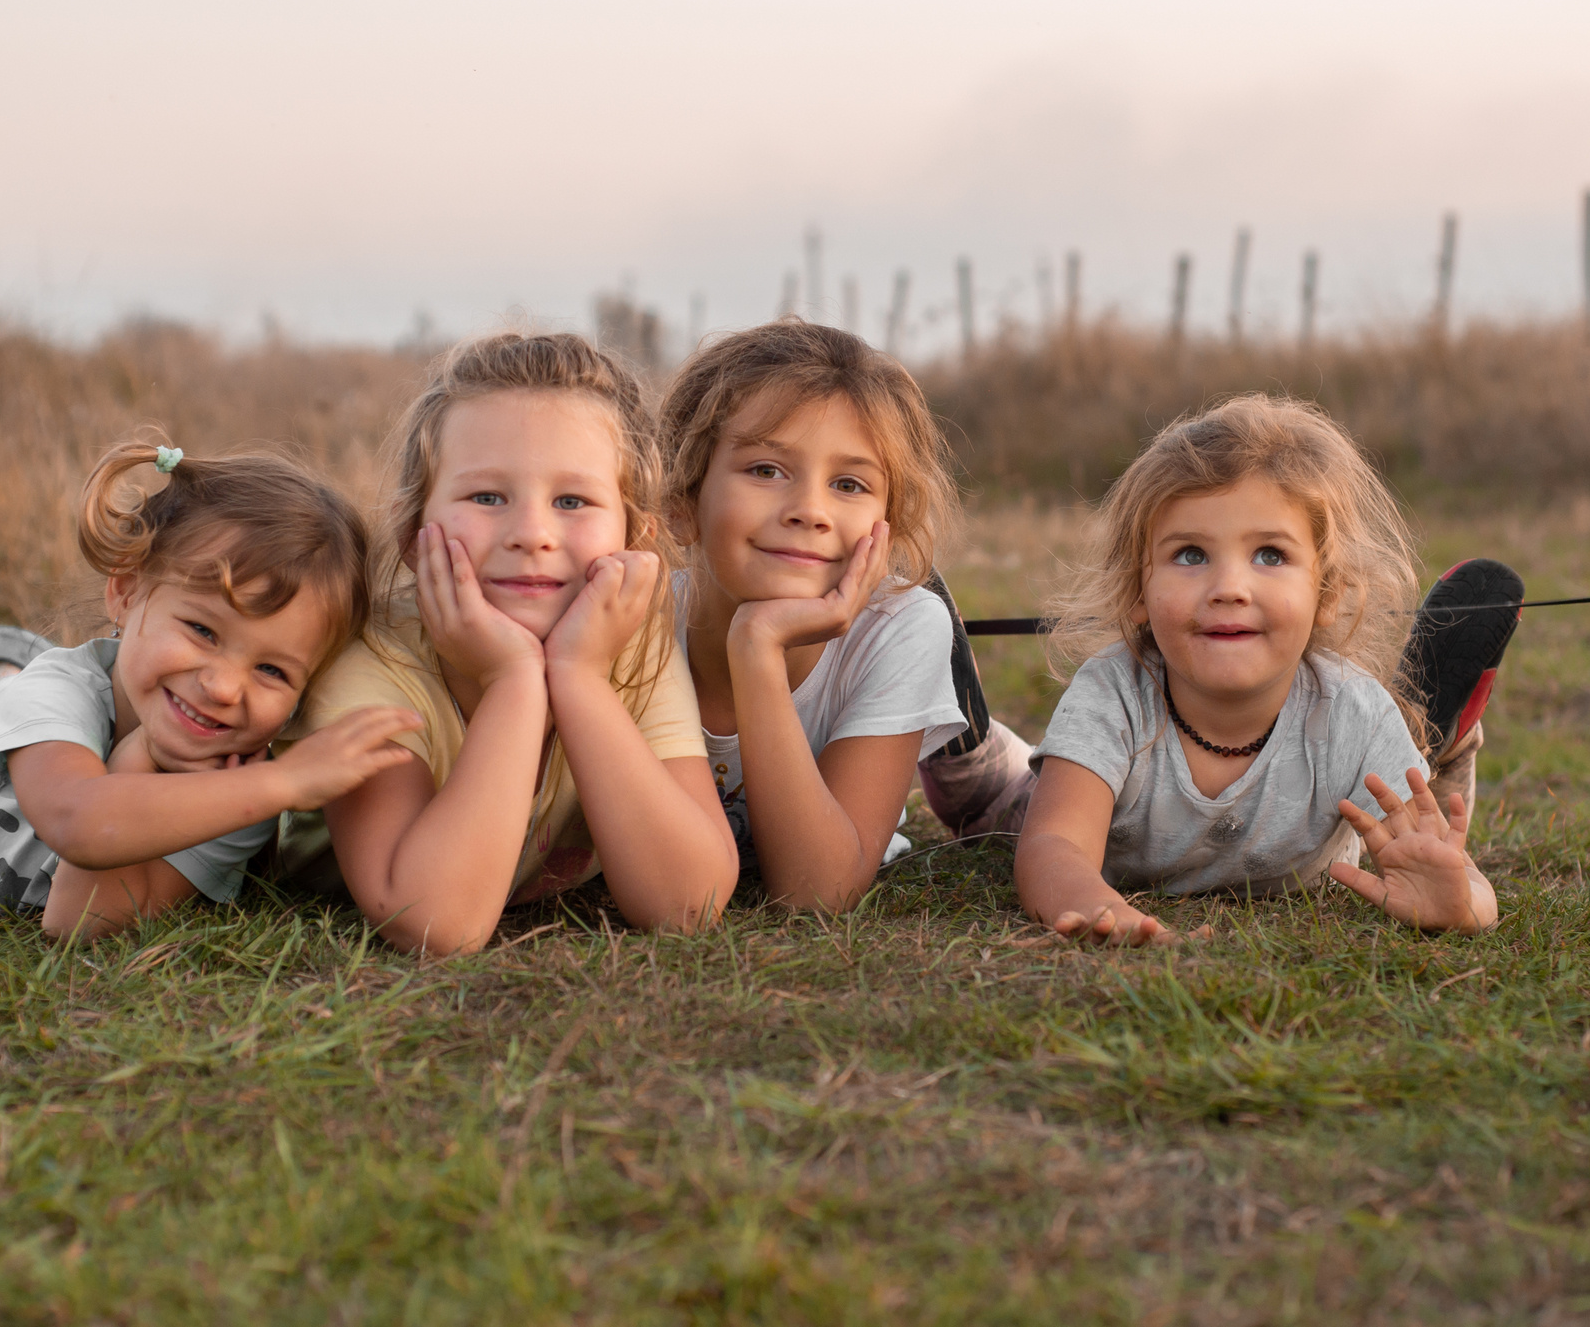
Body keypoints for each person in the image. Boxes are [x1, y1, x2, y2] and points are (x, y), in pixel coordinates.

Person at [928, 394, 1505, 942]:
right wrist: (1095, 904)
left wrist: (1459, 904)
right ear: (1139, 590)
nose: (1229, 587)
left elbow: (1468, 887)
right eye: (1190, 555)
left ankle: (1434, 737)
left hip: (1376, 734)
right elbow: (1052, 844)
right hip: (1028, 805)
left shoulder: (1352, 712)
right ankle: (954, 717)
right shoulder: (1114, 692)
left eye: (1270, 555)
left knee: (1424, 836)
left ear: (1326, 591)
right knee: (987, 801)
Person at [0, 440, 418, 941]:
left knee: (13, 708)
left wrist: (143, 756)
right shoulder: (70, 693)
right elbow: (79, 821)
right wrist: (282, 781)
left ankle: (2, 671)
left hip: (51, 735)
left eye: (272, 671)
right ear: (126, 591)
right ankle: (2, 672)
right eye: (202, 630)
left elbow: (77, 917)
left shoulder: (238, 793)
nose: (221, 685)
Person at [292, 332, 738, 956]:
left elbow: (689, 904)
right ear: (411, 532)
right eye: (487, 497)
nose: (532, 533)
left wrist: (579, 677)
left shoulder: (630, 646)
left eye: (573, 500)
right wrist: (514, 679)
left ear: (636, 538)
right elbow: (436, 924)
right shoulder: (373, 664)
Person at [656, 321, 972, 911]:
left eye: (849, 484)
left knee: (987, 790)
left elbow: (817, 893)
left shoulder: (902, 625)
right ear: (681, 502)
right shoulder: (632, 620)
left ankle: (978, 754)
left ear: (890, 528)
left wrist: (756, 645)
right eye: (765, 470)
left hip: (897, 690)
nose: (810, 511)